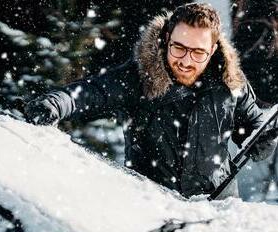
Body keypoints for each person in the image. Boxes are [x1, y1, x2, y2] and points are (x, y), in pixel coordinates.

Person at [25, 3, 277, 199]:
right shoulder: (139, 77)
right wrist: (55, 103)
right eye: (179, 47)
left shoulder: (230, 81)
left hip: (216, 210)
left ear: (212, 51)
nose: (186, 61)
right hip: (151, 207)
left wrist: (263, 139)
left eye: (198, 52)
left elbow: (253, 125)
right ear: (166, 39)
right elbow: (89, 92)